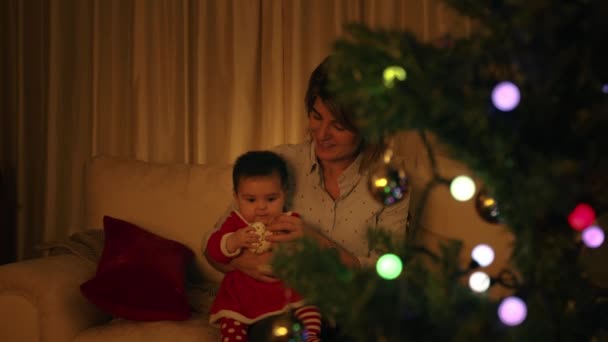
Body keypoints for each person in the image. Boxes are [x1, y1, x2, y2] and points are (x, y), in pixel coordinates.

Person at [206, 55, 410, 338]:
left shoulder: (390, 182)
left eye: (338, 126)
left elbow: (388, 273)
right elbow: (213, 247)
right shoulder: (278, 163)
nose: (322, 134)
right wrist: (243, 262)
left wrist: (320, 243)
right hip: (280, 312)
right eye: (316, 117)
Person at [206, 150, 322, 342]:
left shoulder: (289, 221)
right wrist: (232, 241)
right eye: (251, 200)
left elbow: (307, 249)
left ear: (284, 195)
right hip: (243, 293)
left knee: (309, 305)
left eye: (271, 199)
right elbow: (213, 249)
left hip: (284, 288)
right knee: (231, 320)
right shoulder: (236, 222)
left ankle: (310, 337)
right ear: (237, 197)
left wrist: (296, 251)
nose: (261, 207)